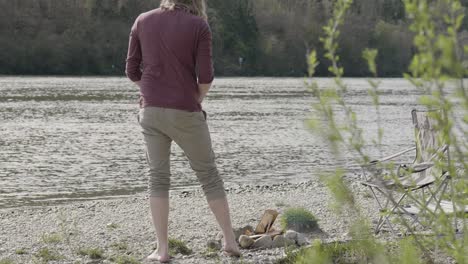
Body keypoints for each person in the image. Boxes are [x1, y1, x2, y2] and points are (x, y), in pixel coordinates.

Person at [125, 0, 240, 262]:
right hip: (186, 110)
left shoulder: (142, 20)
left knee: (157, 178)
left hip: (150, 111)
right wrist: (195, 100)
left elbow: (131, 71)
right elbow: (206, 77)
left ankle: (162, 250)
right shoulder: (199, 26)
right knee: (209, 175)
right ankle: (230, 241)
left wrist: (153, 91)